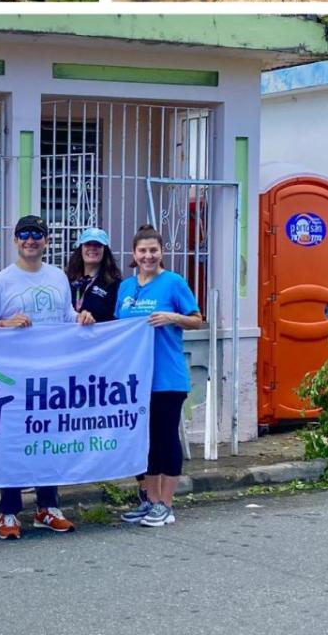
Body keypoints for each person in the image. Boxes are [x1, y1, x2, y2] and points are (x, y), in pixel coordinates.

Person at [0, 214, 93, 538]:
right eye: (24, 234)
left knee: (49, 440)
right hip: (14, 377)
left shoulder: (57, 277)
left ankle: (47, 507)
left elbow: (66, 315)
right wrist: (4, 324)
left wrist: (80, 317)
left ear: (46, 241)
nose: (30, 240)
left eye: (37, 234)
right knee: (13, 442)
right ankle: (9, 511)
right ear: (15, 241)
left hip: (52, 376)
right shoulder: (1, 281)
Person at [114, 224, 204, 528]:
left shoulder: (173, 283)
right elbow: (117, 329)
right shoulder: (126, 287)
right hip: (136, 379)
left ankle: (167, 503)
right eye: (143, 251)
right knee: (145, 441)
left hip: (167, 376)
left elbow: (197, 320)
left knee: (165, 438)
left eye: (153, 250)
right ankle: (150, 500)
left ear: (161, 252)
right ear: (134, 254)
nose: (148, 256)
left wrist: (172, 317)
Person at [65, 227, 121, 322]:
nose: (92, 248)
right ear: (81, 248)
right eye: (88, 244)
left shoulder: (115, 285)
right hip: (70, 336)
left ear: (105, 250)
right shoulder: (67, 280)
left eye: (98, 245)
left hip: (101, 336)